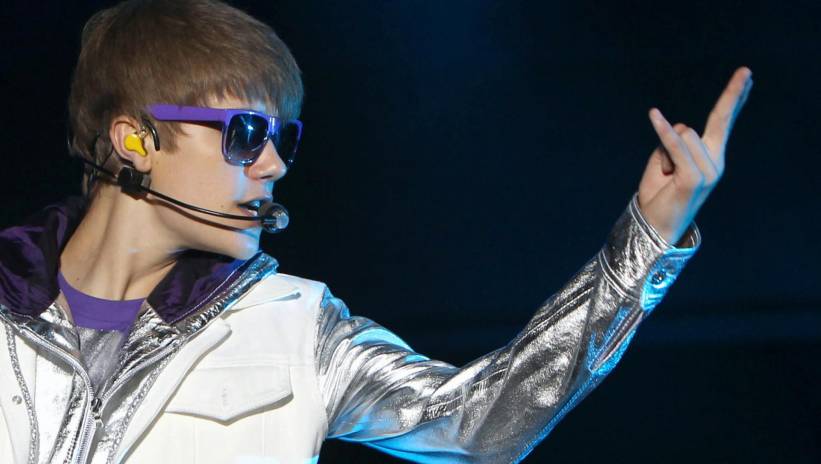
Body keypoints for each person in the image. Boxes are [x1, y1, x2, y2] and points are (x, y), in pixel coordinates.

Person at [0, 0, 752, 463]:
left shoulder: (297, 326)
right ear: (134, 140)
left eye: (283, 140)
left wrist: (646, 239)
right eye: (245, 134)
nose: (273, 165)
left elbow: (479, 427)